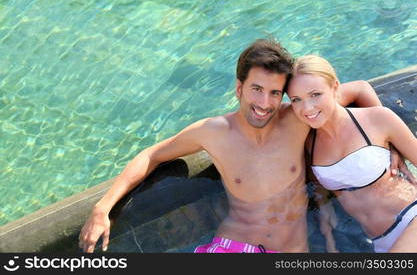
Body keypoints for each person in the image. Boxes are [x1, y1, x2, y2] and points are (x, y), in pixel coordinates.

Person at [79, 39, 389, 253]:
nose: (264, 104)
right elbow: (152, 154)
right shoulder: (214, 132)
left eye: (274, 93)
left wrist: (392, 157)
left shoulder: (296, 117)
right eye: (256, 89)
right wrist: (102, 208)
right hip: (237, 245)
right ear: (239, 88)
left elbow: (359, 90)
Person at [287, 54, 417, 253]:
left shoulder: (376, 119)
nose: (307, 108)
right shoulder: (308, 143)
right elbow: (320, 189)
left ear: (335, 87)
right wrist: (325, 214)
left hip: (411, 217)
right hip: (381, 240)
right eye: (296, 99)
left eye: (315, 95)